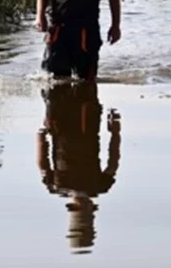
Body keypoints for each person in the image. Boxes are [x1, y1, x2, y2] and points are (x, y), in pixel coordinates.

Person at [37, 81, 122, 253]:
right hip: (78, 121)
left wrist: (115, 132)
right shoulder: (57, 186)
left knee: (75, 83)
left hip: (80, 122)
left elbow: (114, 159)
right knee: (70, 84)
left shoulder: (58, 185)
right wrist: (41, 137)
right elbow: (42, 164)